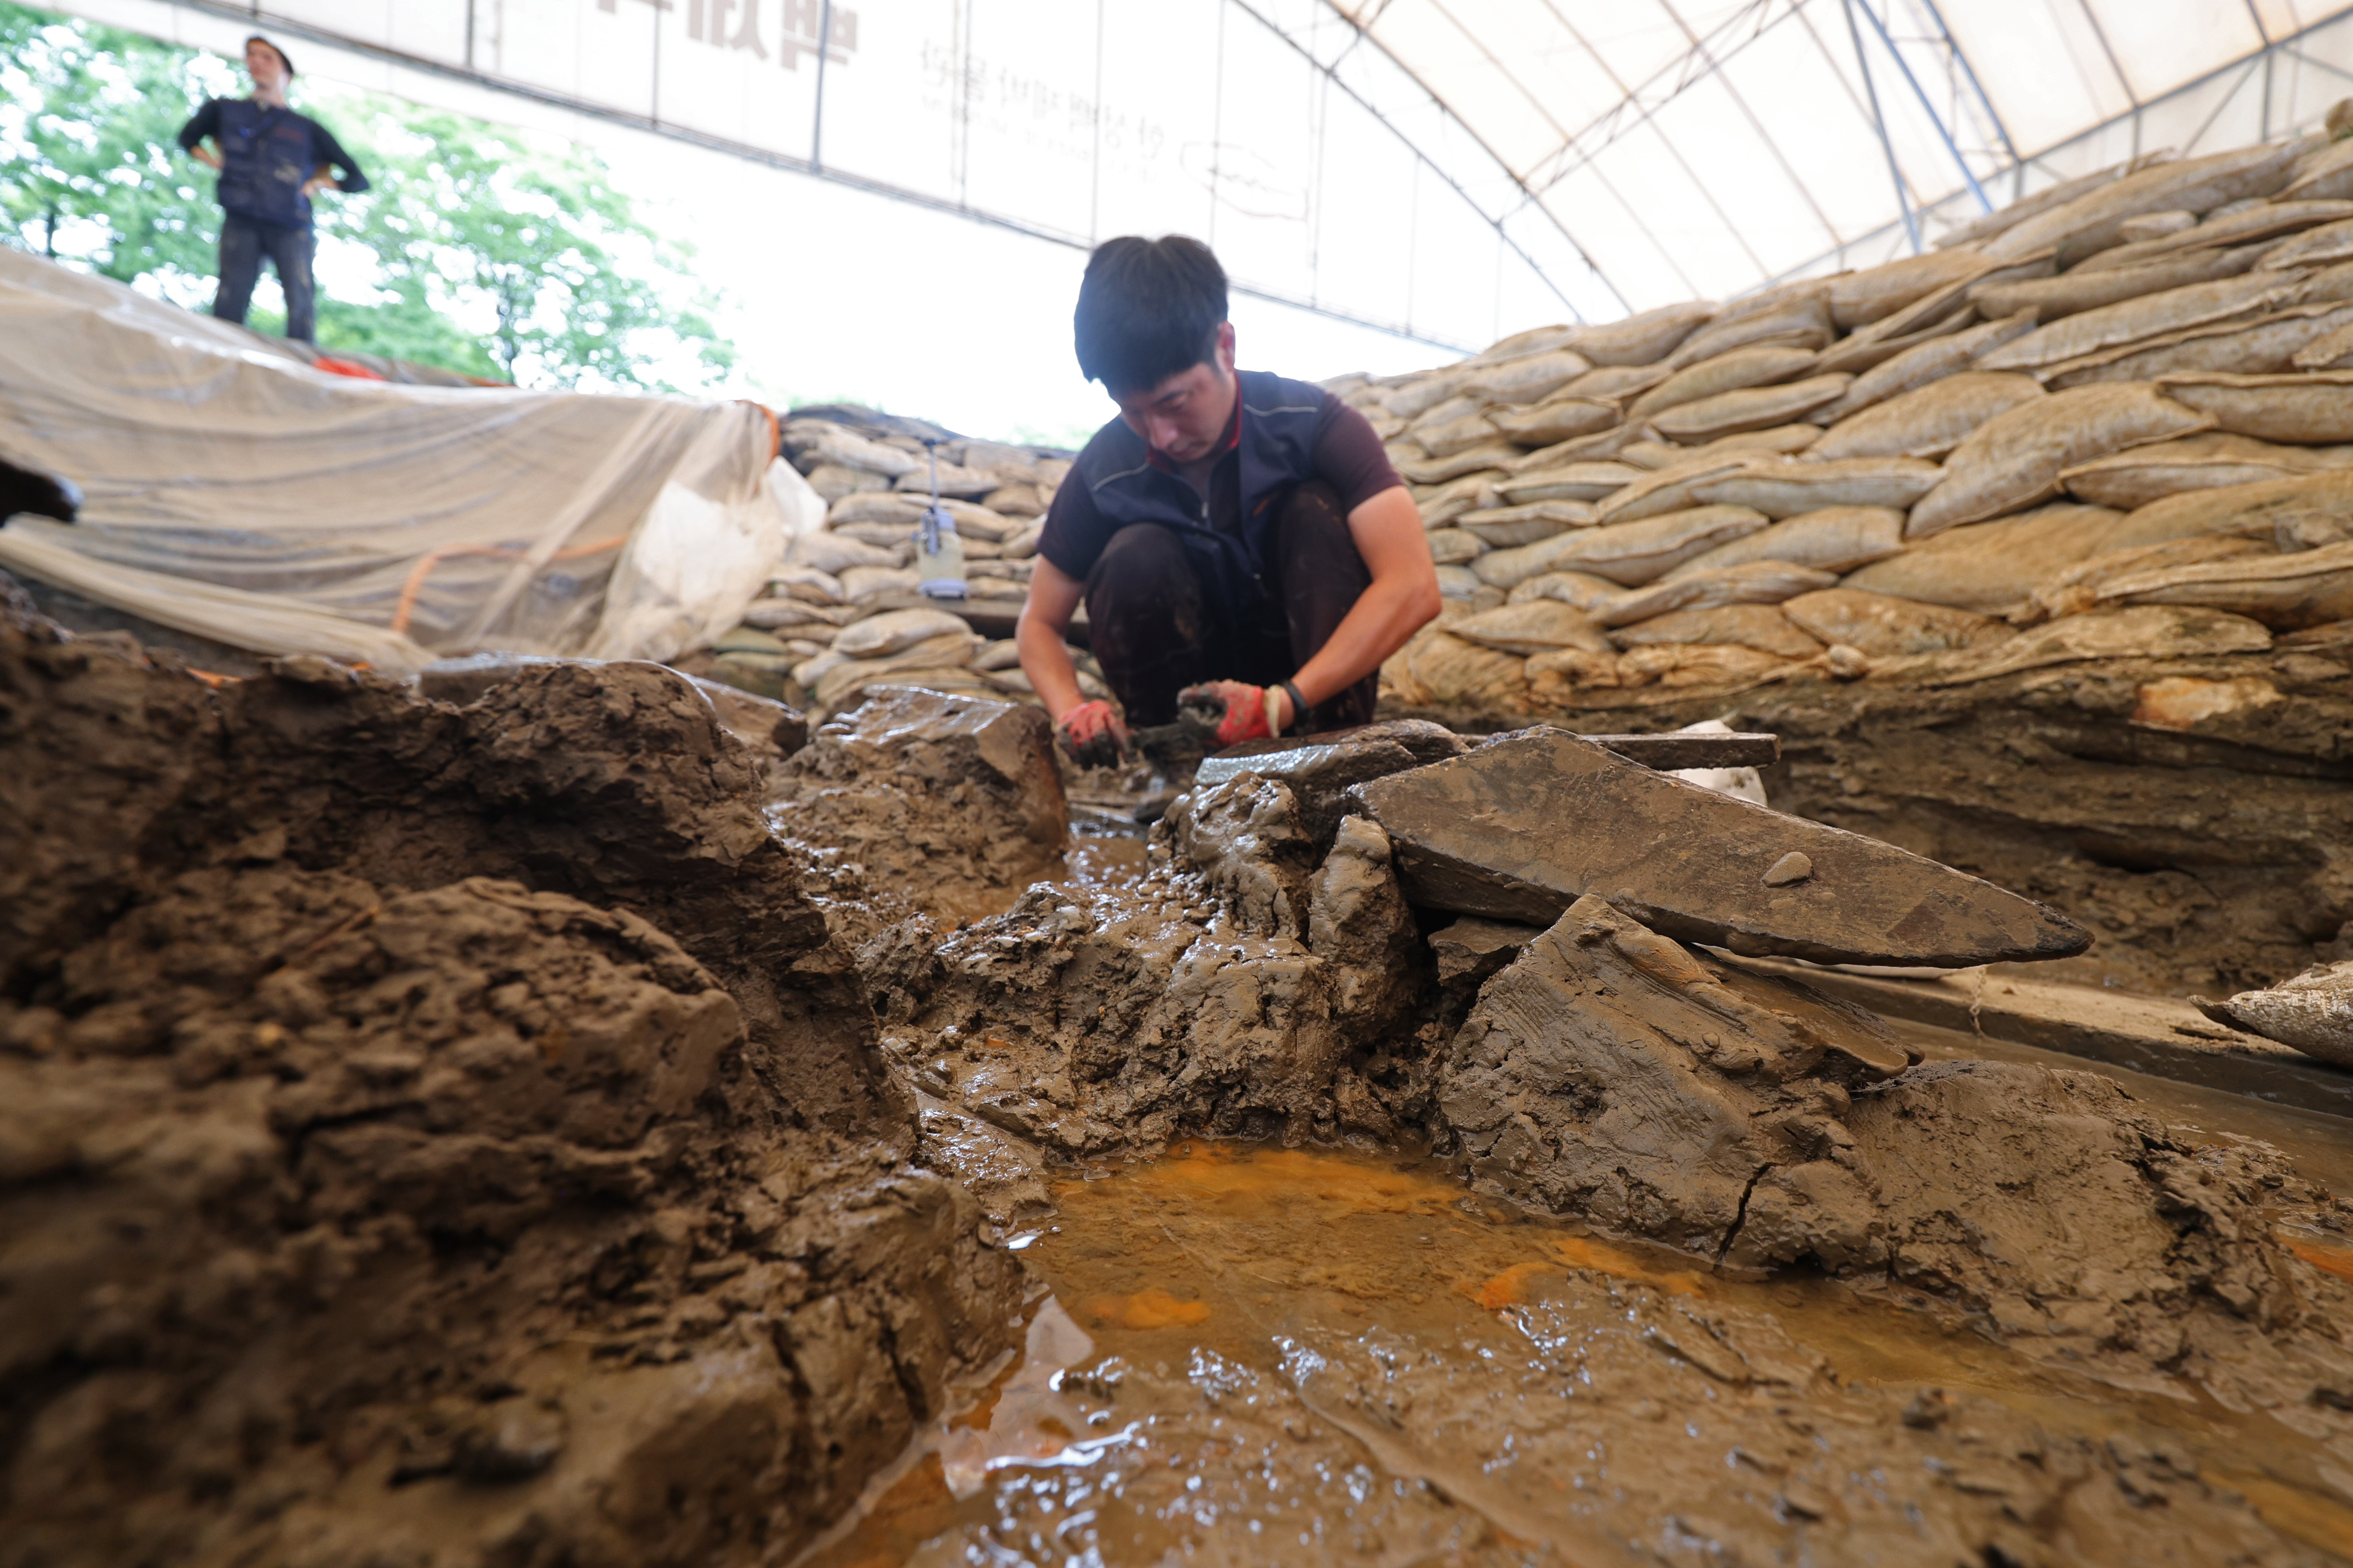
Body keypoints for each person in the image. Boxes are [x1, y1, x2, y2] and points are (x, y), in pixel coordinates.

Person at [1016, 236, 1440, 766]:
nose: (1161, 436)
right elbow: (1038, 624)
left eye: (1175, 403)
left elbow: (1413, 585)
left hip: (1305, 697)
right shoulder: (1104, 469)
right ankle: (1173, 770)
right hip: (1188, 710)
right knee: (1135, 554)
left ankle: (1332, 756)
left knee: (1314, 510)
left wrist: (1282, 704)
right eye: (1134, 412)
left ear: (1226, 345)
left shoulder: (1313, 425)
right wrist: (1071, 708)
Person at [175, 36, 370, 344]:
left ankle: (301, 361)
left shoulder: (307, 129)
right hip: (242, 218)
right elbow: (187, 138)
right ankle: (221, 353)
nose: (257, 62)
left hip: (291, 224)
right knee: (230, 296)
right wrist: (216, 162)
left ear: (286, 74)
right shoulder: (225, 111)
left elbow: (358, 179)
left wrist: (319, 182)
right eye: (252, 55)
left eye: (268, 57)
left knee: (300, 298)